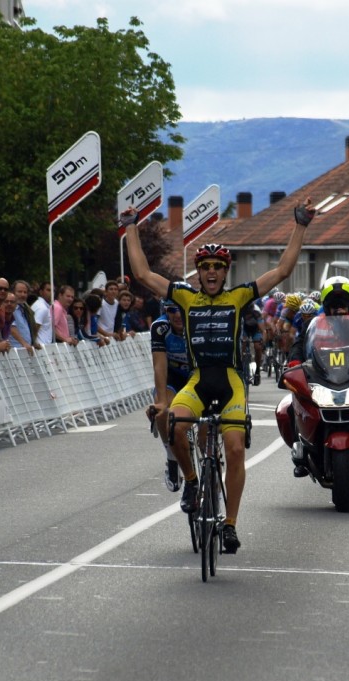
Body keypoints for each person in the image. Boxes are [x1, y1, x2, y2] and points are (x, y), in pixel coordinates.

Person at [123, 198, 315, 554]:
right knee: (172, 424)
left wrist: (300, 225)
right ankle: (193, 482)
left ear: (226, 272)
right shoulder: (184, 297)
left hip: (230, 382)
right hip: (198, 380)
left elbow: (283, 271)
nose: (211, 272)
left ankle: (230, 524)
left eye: (218, 267)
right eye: (205, 267)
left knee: (234, 448)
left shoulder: (240, 296)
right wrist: (132, 228)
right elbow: (143, 275)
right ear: (198, 272)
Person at [149, 300, 192, 492]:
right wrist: (162, 403)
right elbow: (159, 366)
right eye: (171, 310)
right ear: (165, 312)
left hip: (196, 374)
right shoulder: (160, 328)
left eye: (181, 309)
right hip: (172, 375)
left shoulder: (196, 325)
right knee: (162, 411)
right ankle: (171, 456)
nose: (177, 314)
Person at [8, 280, 41, 354]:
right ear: (13, 292)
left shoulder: (25, 309)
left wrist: (33, 342)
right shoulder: (10, 308)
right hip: (14, 350)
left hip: (26, 350)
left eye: (25, 292)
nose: (22, 295)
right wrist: (24, 343)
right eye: (19, 292)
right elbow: (12, 328)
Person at [31, 281, 55, 347]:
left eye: (53, 290)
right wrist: (34, 343)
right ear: (41, 292)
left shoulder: (41, 305)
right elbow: (35, 327)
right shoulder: (42, 307)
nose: (51, 293)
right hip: (41, 347)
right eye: (48, 290)